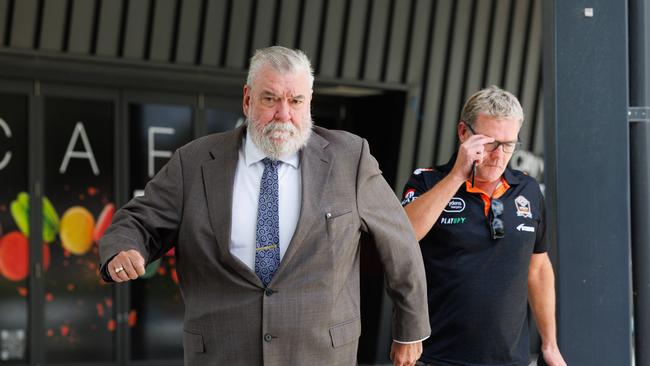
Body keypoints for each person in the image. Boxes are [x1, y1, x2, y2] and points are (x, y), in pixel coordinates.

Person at [99, 46, 430, 366]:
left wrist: (409, 330)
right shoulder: (196, 161)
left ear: (309, 102)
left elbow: (399, 242)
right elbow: (141, 219)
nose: (283, 114)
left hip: (320, 354)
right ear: (247, 99)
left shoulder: (349, 158)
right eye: (270, 98)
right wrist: (124, 247)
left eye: (295, 100)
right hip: (222, 352)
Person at [402, 86, 566, 366]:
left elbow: (538, 268)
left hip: (510, 359)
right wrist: (456, 176)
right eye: (490, 143)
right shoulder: (426, 182)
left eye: (509, 144)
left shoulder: (527, 190)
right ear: (464, 133)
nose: (499, 155)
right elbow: (404, 238)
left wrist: (550, 345)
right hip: (435, 357)